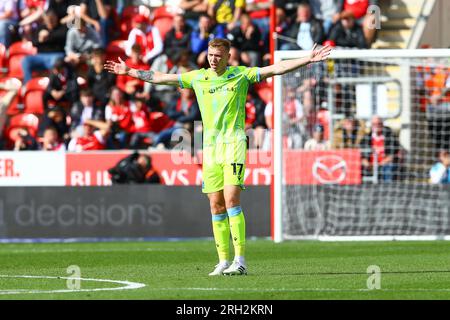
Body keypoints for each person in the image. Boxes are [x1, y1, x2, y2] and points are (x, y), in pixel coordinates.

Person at [105, 38, 331, 276]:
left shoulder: (241, 75)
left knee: (232, 199)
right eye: (210, 55)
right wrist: (130, 71)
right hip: (210, 149)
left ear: (228, 56)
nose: (213, 60)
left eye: (218, 56)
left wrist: (308, 58)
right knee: (216, 205)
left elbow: (276, 68)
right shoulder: (198, 77)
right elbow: (162, 77)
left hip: (234, 144)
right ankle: (223, 261)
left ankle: (240, 260)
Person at [360, 115, 401, 182]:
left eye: (379, 124)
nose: (377, 126)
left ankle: (388, 188)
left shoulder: (390, 136)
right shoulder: (366, 138)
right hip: (370, 165)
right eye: (374, 124)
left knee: (389, 168)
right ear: (371, 125)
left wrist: (381, 164)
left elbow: (393, 154)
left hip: (384, 163)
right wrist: (366, 162)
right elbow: (361, 154)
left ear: (382, 124)